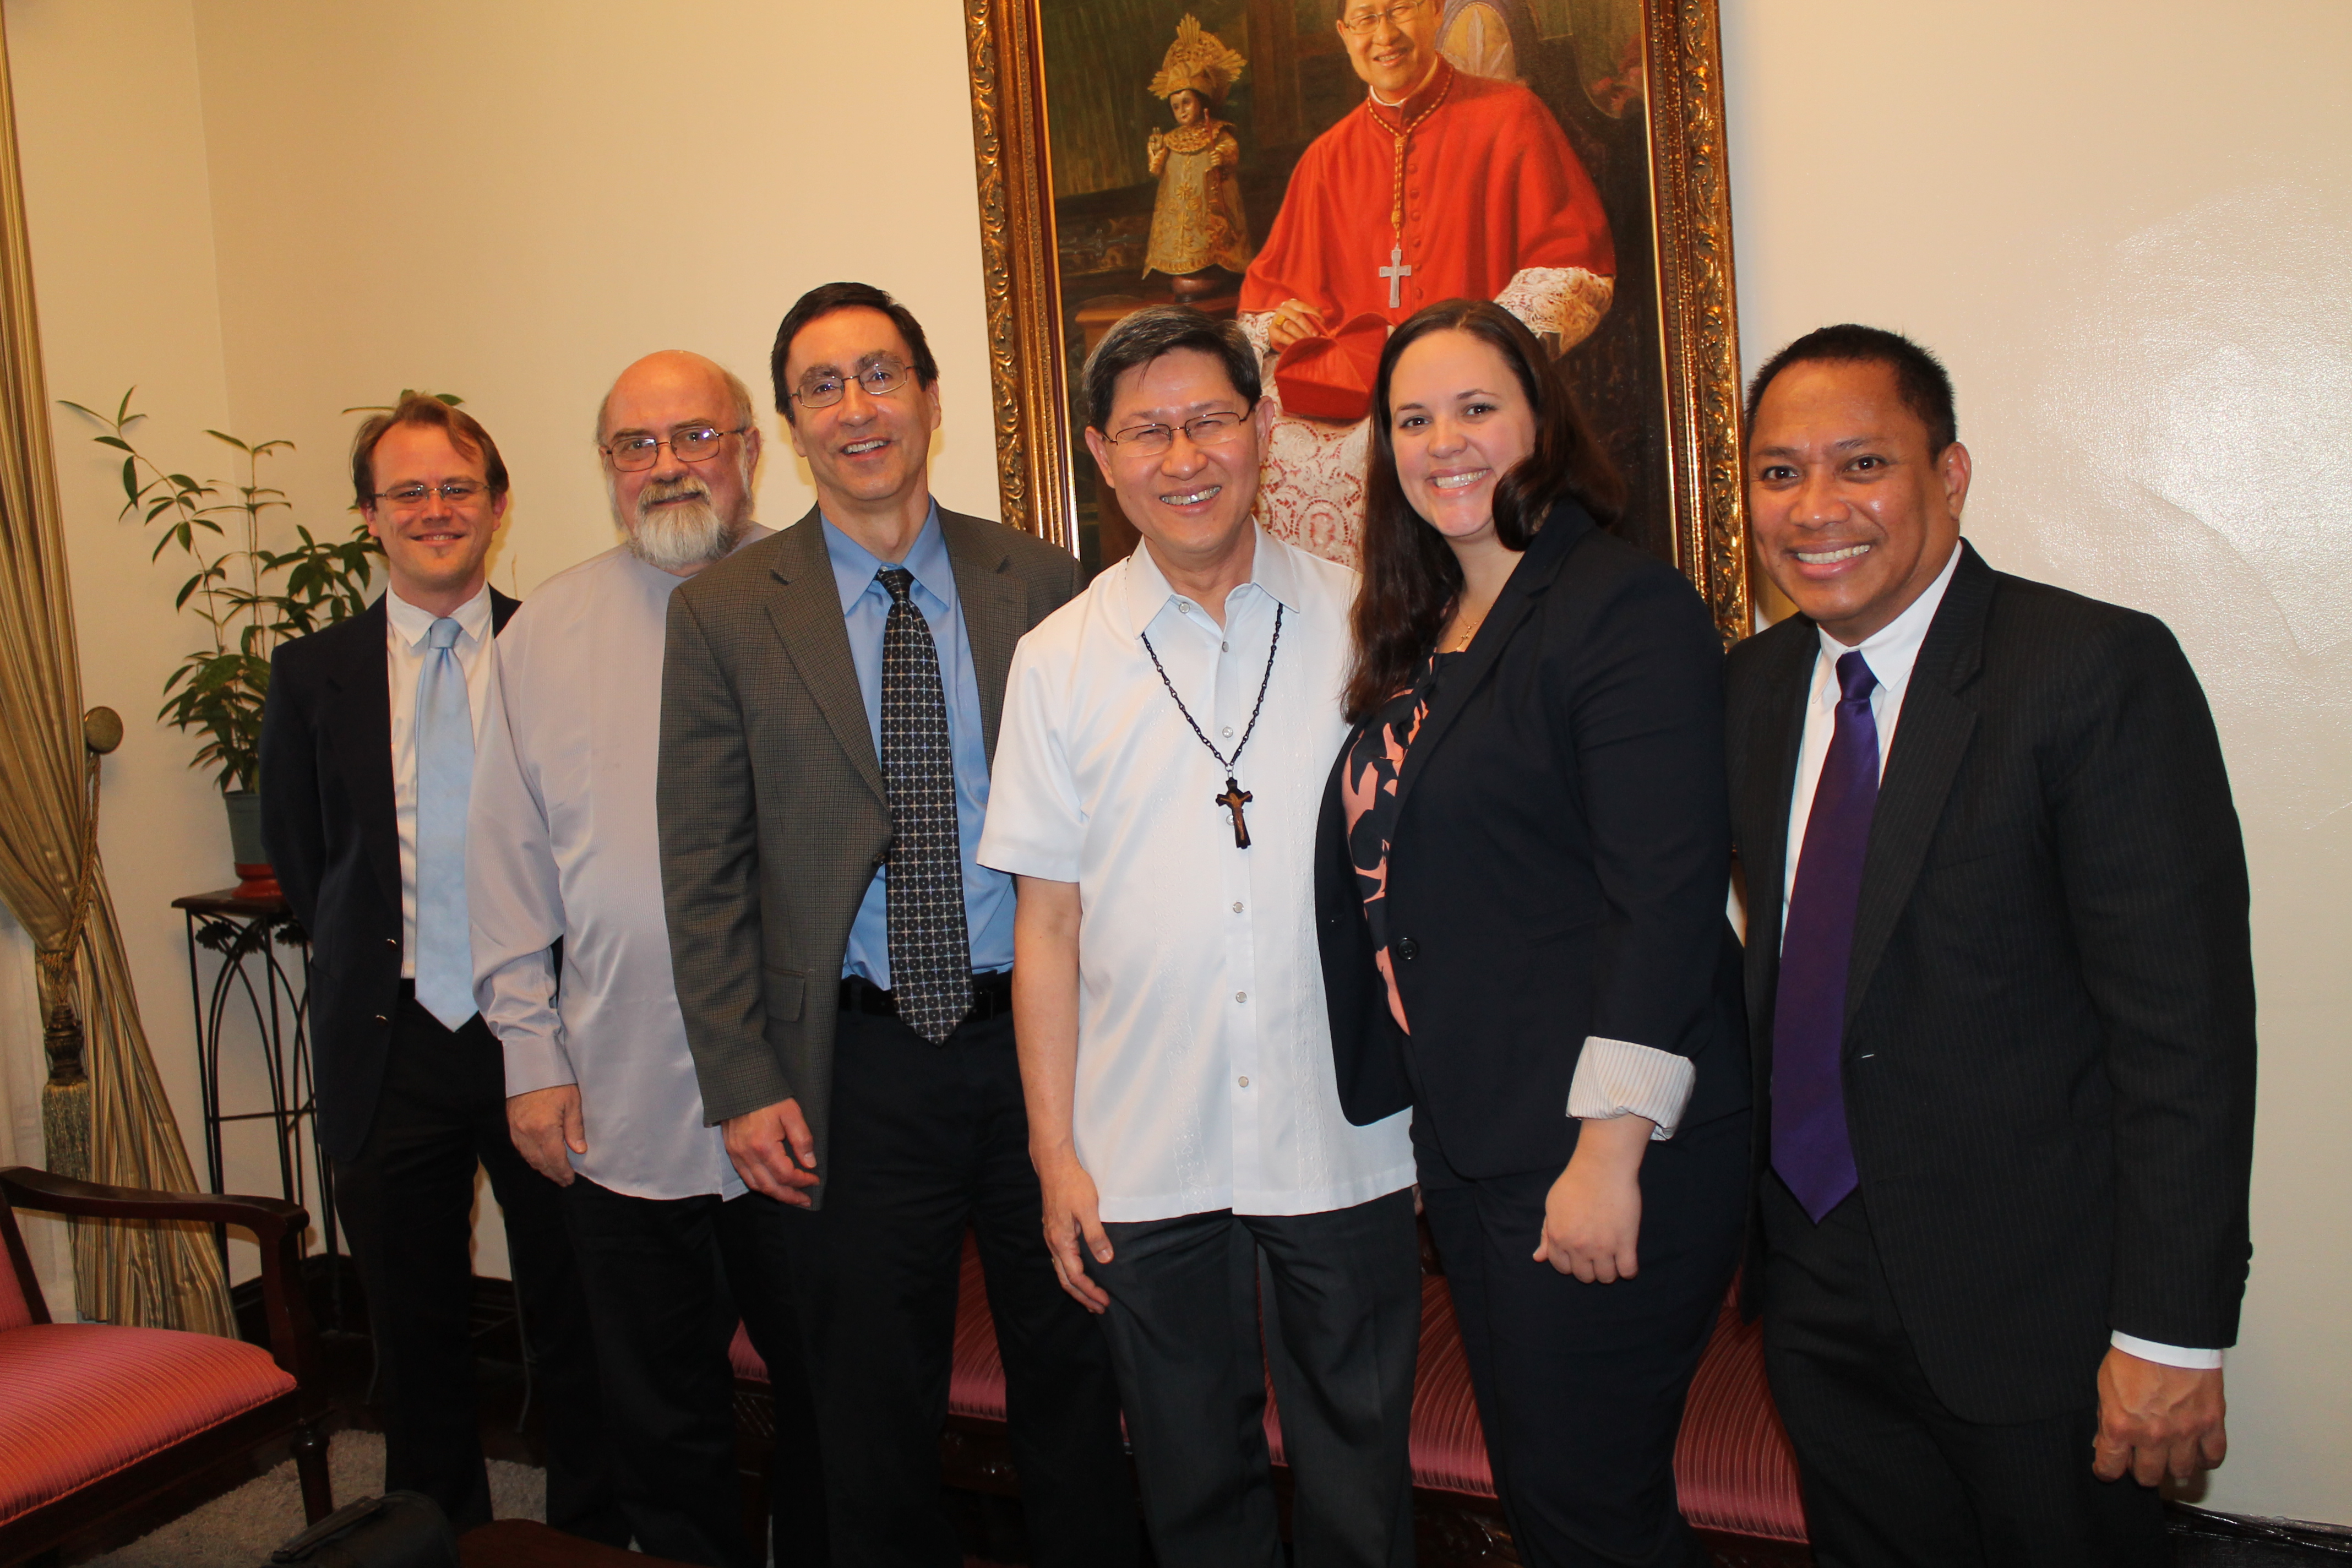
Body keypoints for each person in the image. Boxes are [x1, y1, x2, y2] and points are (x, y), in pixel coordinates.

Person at [1729, 325, 2256, 1566]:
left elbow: (2184, 1031)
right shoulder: (1746, 692)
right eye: (1779, 471)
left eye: (1862, 464)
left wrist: (2172, 1334)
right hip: (1815, 1294)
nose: (1817, 509)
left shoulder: (2089, 671)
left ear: (1949, 474)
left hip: (2040, 1317)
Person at [657, 282, 1139, 1568]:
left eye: (881, 374)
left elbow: (1110, 833)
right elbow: (701, 867)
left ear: (930, 398)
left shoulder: (1041, 581)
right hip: (852, 1070)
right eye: (824, 385)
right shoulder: (721, 611)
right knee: (867, 1406)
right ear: (789, 426)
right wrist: (742, 1079)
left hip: (1040, 1052)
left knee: (1075, 1375)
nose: (858, 407)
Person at [980, 304, 1420, 1568]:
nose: (1183, 456)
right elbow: (1046, 922)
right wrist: (1055, 1151)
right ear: (1101, 454)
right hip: (1144, 1147)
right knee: (1189, 1485)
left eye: (1210, 420)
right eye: (1147, 431)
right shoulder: (1059, 660)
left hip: (1341, 1132)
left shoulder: (1365, 622)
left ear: (1266, 426)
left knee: (1360, 1483)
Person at [1314, 299, 1750, 1568]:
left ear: (1541, 422)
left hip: (1604, 1144)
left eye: (1475, 407)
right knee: (1559, 1497)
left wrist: (1608, 1147)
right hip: (1482, 1141)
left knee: (1587, 1506)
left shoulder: (1621, 606)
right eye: (1411, 417)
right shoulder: (1426, 625)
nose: (1441, 440)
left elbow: (1666, 900)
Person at [467, 352, 826, 1567]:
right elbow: (506, 856)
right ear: (606, 468)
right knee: (658, 1407)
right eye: (636, 443)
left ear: (750, 450)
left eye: (696, 435)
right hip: (618, 1094)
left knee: (833, 1393)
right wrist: (529, 1049)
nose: (668, 464)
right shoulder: (545, 630)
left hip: (807, 1089)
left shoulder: (825, 586)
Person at [259, 396, 618, 1540]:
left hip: (545, 1039)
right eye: (406, 491)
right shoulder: (310, 675)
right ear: (369, 515)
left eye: (457, 487)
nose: (434, 510)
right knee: (412, 1329)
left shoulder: (558, 652)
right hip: (391, 1038)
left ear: (499, 505)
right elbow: (310, 860)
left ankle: (583, 1533)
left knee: (574, 1310)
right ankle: (440, 1534)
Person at [1239, 0, 1615, 423]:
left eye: (1399, 10)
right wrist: (1280, 324)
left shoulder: (1513, 116)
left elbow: (1572, 266)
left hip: (1480, 397)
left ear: (1435, 11)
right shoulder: (1325, 159)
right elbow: (1270, 297)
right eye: (1366, 19)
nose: (1384, 36)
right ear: (1345, 34)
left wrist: (1480, 349)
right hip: (1361, 410)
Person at [1142, 17, 1253, 298]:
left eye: (1187, 102)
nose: (1181, 111)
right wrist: (1155, 155)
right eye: (1175, 106)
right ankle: (1184, 272)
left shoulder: (1217, 131)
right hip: (1178, 210)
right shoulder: (1169, 139)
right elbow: (1157, 170)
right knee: (1181, 246)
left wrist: (1223, 156)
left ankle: (1212, 271)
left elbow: (1231, 152)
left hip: (1209, 206)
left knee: (1211, 244)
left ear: (1202, 100)